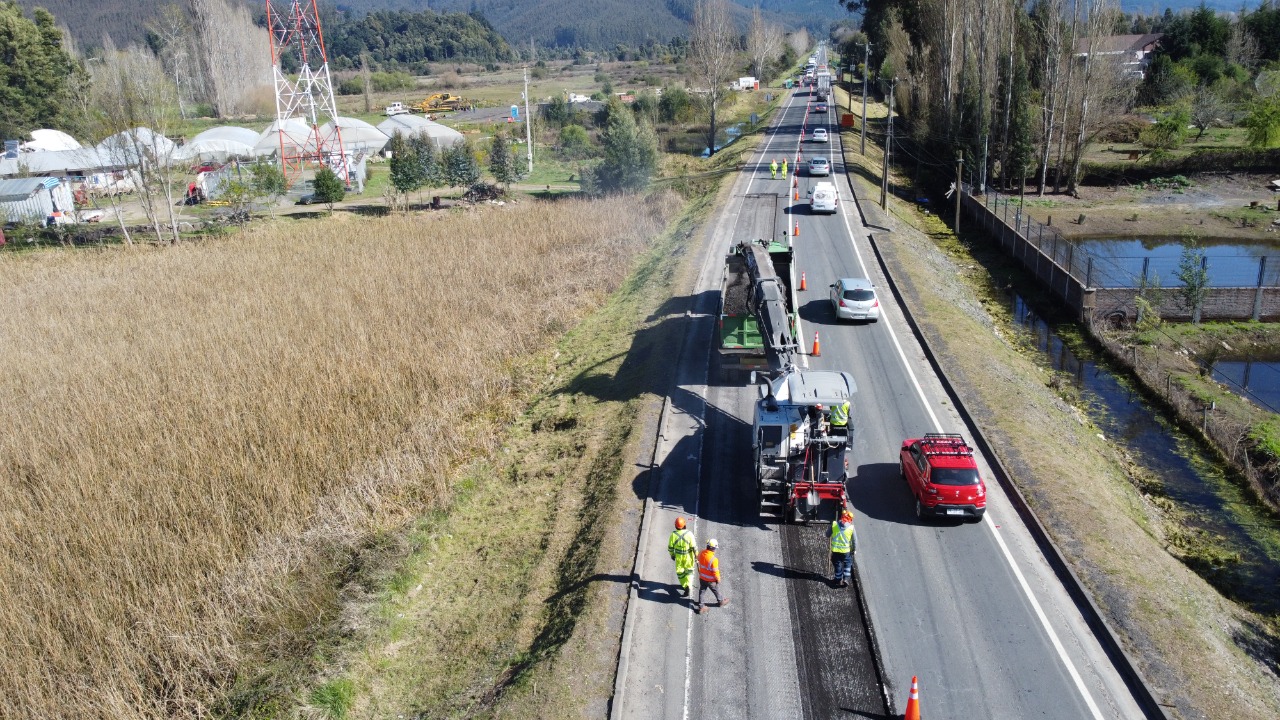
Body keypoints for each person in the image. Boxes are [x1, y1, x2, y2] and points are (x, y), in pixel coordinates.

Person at [695, 539, 729, 613]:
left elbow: (697, 559)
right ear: (713, 549)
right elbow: (715, 572)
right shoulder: (714, 560)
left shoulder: (701, 553)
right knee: (716, 590)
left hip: (702, 578)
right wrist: (718, 579)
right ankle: (721, 601)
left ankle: (701, 606)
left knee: (702, 591)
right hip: (711, 580)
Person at [667, 517, 697, 597]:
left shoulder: (673, 535)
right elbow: (694, 547)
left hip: (679, 557)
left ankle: (685, 586)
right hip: (689, 557)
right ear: (684, 525)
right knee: (689, 571)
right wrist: (696, 555)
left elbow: (670, 547)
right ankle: (689, 585)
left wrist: (672, 555)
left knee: (680, 573)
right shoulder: (689, 534)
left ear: (675, 526)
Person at [827, 510, 856, 588]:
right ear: (850, 519)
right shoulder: (851, 528)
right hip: (846, 551)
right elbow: (854, 541)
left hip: (835, 550)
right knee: (847, 563)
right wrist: (854, 549)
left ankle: (837, 579)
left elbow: (827, 534)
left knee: (837, 564)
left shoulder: (834, 524)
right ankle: (846, 579)